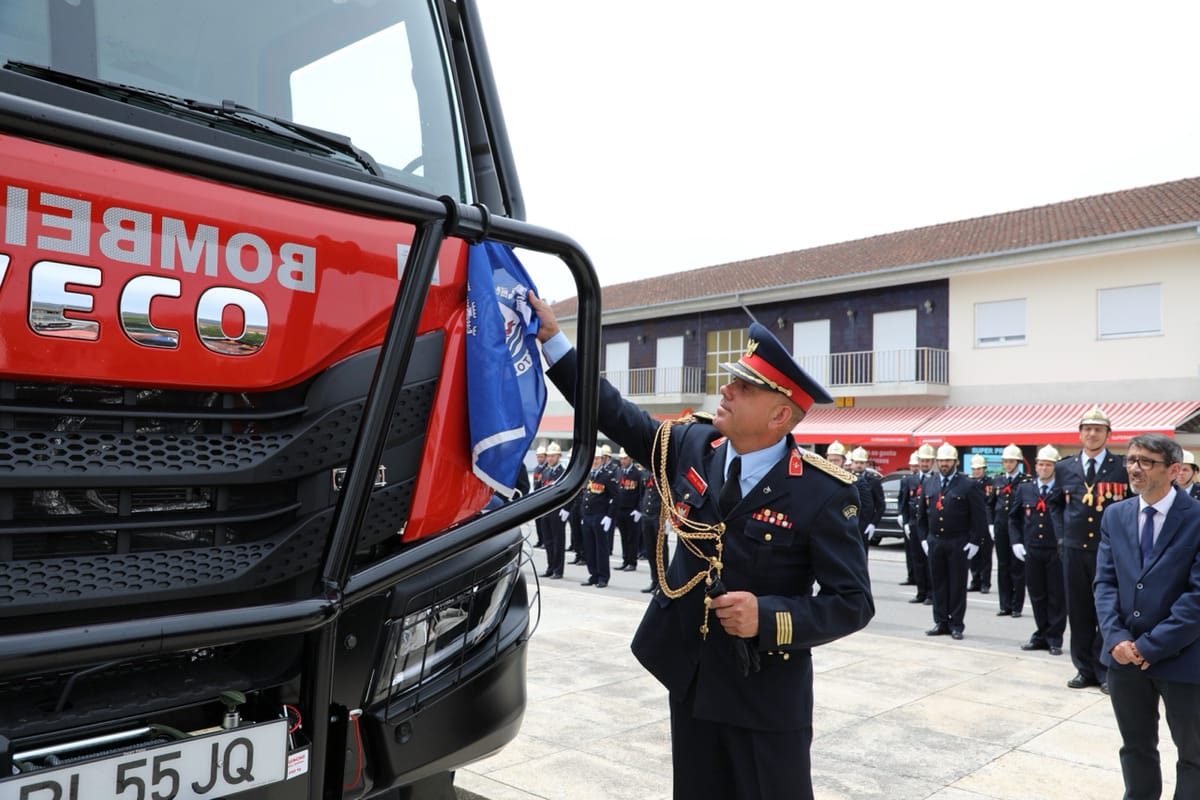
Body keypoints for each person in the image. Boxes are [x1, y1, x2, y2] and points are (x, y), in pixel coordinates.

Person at [529, 293, 874, 800]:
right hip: (691, 678)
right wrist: (554, 342)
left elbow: (853, 603)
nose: (727, 390)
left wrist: (769, 615)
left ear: (780, 416)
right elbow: (617, 415)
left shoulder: (822, 492)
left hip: (763, 695)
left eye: (745, 387)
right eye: (732, 379)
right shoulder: (694, 446)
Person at [1095, 432, 1200, 800]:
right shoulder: (1116, 515)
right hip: (1124, 659)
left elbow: (1197, 597)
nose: (1135, 468)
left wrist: (1150, 646)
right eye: (1131, 460)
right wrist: (1116, 639)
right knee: (1136, 748)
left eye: (1146, 462)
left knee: (1194, 757)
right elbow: (1105, 583)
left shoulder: (1197, 518)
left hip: (1184, 659)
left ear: (1174, 470)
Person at [1058, 406, 1129, 692]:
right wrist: (1060, 535)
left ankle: (1104, 670)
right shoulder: (1065, 467)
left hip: (1108, 550)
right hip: (1074, 550)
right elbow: (1053, 503)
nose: (1092, 433)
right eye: (1087, 429)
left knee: (1107, 611)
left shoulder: (1121, 466)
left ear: (1108, 434)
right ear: (1080, 434)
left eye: (1098, 429)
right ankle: (1083, 668)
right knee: (1078, 610)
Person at [916, 442, 987, 640]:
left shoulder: (968, 485)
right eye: (941, 461)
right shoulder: (929, 483)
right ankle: (941, 622)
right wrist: (923, 539)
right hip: (935, 541)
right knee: (938, 583)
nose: (944, 464)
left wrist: (974, 541)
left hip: (958, 541)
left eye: (948, 460)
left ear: (955, 462)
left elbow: (979, 518)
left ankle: (956, 624)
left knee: (957, 585)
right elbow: (921, 516)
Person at [1010, 445, 1067, 656]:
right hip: (1032, 548)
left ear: (1055, 467)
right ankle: (1041, 633)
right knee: (1037, 594)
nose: (1043, 468)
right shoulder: (1025, 488)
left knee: (1056, 596)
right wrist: (1016, 541)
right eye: (1041, 464)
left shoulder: (1062, 489)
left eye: (1048, 465)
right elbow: (1013, 517)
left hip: (1055, 550)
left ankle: (1055, 638)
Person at [990, 444, 1030, 618]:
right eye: (1005, 461)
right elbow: (990, 503)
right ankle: (1004, 604)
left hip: (1018, 529)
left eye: (1011, 461)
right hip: (1000, 528)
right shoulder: (998, 480)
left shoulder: (1025, 481)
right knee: (1003, 566)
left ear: (1018, 462)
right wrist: (990, 524)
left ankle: (1016, 606)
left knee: (1017, 567)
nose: (1007, 464)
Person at [899, 444, 936, 605]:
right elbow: (905, 502)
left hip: (930, 526)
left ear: (932, 462)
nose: (925, 463)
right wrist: (905, 521)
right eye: (922, 460)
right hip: (914, 525)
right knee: (917, 560)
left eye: (928, 460)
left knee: (930, 561)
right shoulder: (910, 480)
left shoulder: (936, 480)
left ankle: (931, 593)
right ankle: (921, 592)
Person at [578, 445, 618, 588]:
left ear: (602, 460)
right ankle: (593, 574)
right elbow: (584, 495)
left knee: (601, 548)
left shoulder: (607, 476)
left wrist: (609, 516)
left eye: (597, 459)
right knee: (589, 547)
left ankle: (603, 577)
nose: (594, 461)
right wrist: (583, 514)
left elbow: (616, 497)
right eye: (593, 459)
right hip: (588, 516)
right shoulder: (589, 475)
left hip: (600, 516)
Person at [539, 442, 568, 579]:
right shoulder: (545, 472)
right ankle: (550, 567)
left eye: (553, 456)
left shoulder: (563, 473)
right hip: (545, 510)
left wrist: (566, 509)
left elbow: (569, 492)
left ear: (558, 457)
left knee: (558, 542)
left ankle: (558, 570)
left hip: (557, 511)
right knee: (548, 541)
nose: (550, 458)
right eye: (549, 456)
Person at [967, 454, 995, 594]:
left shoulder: (990, 483)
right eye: (974, 469)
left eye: (979, 469)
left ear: (984, 469)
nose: (976, 471)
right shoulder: (968, 482)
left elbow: (990, 502)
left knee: (985, 555)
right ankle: (975, 580)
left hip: (985, 523)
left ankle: (985, 583)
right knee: (973, 555)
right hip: (972, 525)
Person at [638, 463, 667, 593]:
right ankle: (654, 580)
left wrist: (668, 518)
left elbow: (669, 495)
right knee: (650, 551)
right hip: (647, 516)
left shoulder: (664, 473)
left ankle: (663, 583)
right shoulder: (645, 473)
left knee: (660, 553)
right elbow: (642, 492)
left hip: (659, 517)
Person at [614, 448, 643, 571]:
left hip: (632, 510)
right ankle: (625, 560)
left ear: (630, 458)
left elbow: (642, 492)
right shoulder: (619, 472)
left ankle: (632, 562)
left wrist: (638, 509)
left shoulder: (637, 473)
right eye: (621, 458)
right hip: (620, 509)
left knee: (632, 538)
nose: (622, 461)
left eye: (625, 458)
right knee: (623, 537)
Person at [849, 447, 884, 547]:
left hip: (865, 523)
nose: (859, 465)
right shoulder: (845, 478)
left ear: (866, 464)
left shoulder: (874, 481)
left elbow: (880, 505)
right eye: (856, 462)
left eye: (862, 462)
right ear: (852, 463)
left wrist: (873, 524)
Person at [897, 450, 921, 587]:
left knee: (919, 554)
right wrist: (901, 515)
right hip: (909, 519)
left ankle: (919, 578)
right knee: (910, 551)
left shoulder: (927, 479)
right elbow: (902, 499)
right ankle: (911, 575)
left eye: (916, 465)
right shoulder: (906, 480)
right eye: (912, 465)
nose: (915, 468)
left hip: (919, 520)